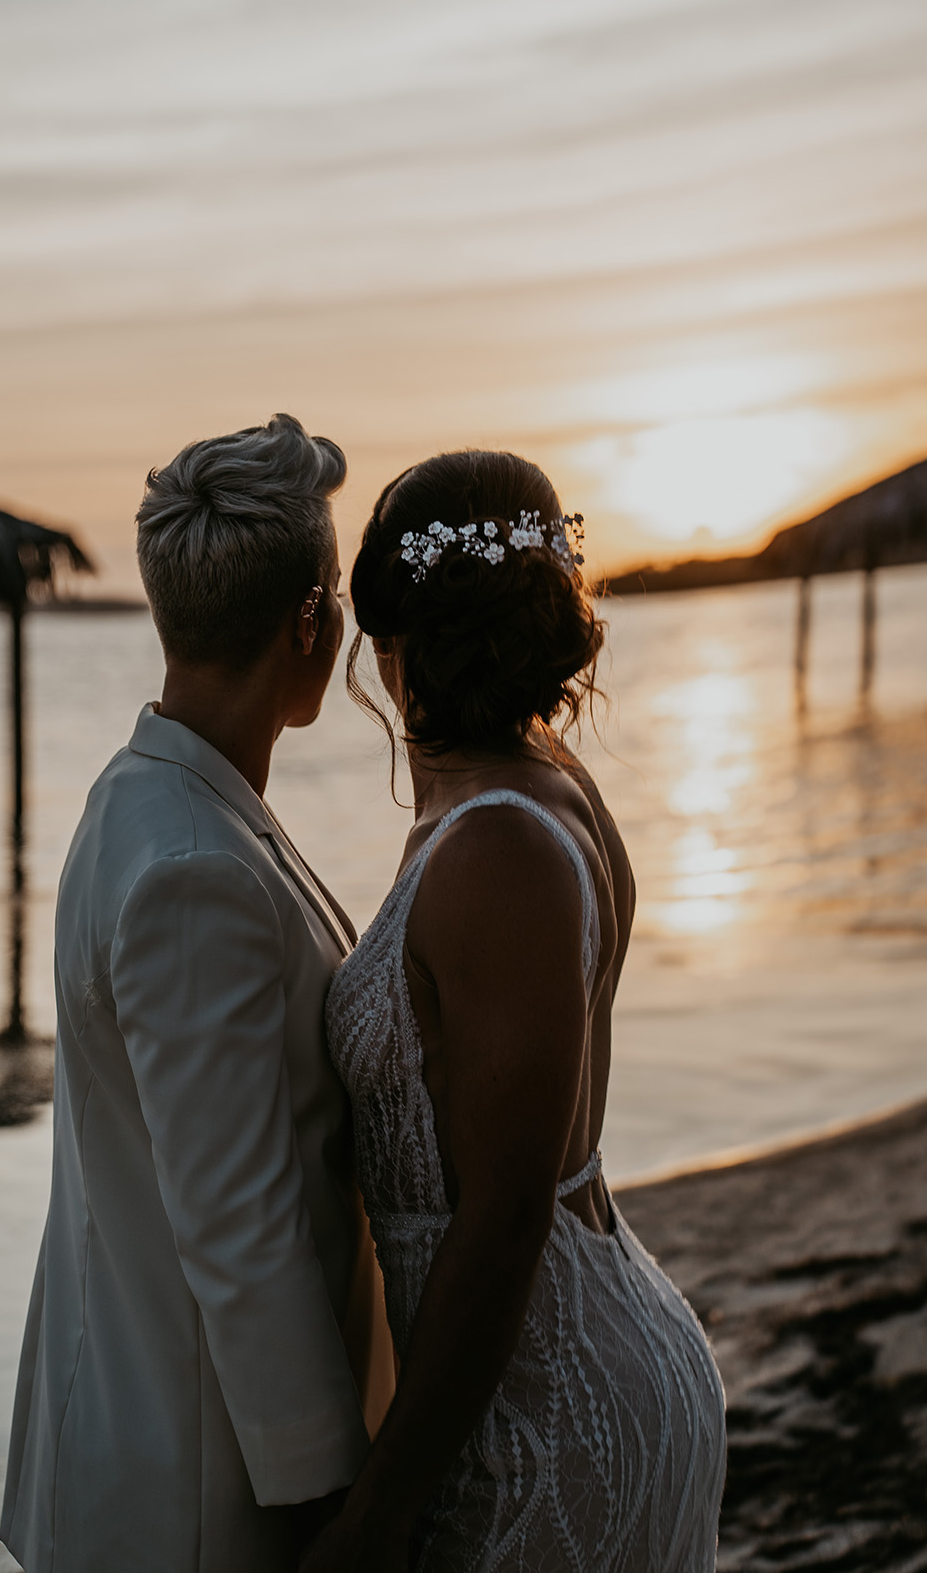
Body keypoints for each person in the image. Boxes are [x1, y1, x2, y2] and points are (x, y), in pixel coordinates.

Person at [308, 450, 727, 1572]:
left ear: (389, 653)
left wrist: (379, 1511)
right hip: (529, 1375)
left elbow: (502, 1222)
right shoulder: (539, 780)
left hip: (550, 1413)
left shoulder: (497, 845)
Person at [0, 415, 391, 1573]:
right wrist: (332, 1503)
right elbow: (241, 1230)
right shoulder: (191, 868)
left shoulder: (146, 798)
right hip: (198, 1496)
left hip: (145, 1437)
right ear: (311, 622)